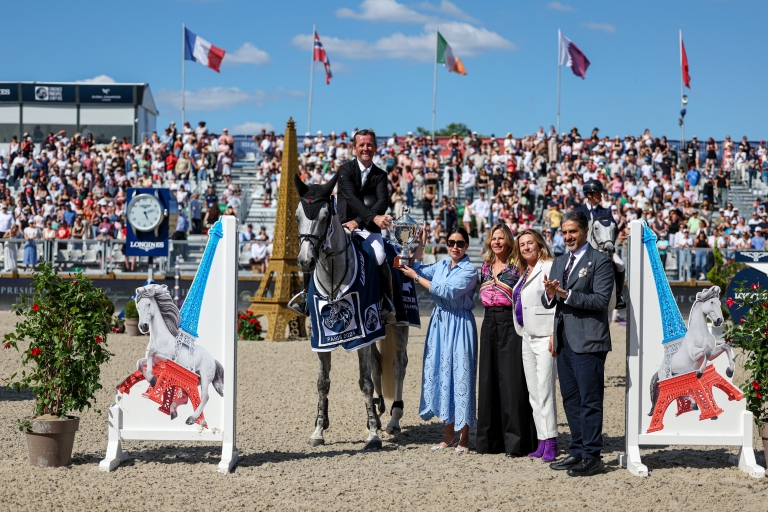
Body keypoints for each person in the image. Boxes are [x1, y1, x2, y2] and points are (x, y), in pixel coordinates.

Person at [542, 210, 614, 477]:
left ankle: (592, 455)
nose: (568, 236)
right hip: (564, 340)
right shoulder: (559, 261)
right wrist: (551, 295)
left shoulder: (600, 262)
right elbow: (551, 301)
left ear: (585, 231)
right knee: (571, 399)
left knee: (590, 400)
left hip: (590, 340)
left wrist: (566, 294)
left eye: (573, 231)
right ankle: (576, 451)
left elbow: (600, 301)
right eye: (564, 232)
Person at [399, 227, 478, 452]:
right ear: (446, 244)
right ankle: (447, 435)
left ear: (466, 245)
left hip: (460, 324)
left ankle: (464, 437)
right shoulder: (442, 265)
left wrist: (416, 277)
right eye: (451, 242)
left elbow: (446, 290)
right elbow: (414, 267)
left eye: (460, 243)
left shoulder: (470, 270)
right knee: (443, 374)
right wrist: (420, 246)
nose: (455, 247)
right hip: (439, 324)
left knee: (461, 376)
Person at [475, 223, 538, 456]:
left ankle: (516, 443)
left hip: (510, 323)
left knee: (511, 382)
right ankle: (489, 442)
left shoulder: (517, 266)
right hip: (488, 323)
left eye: (501, 238)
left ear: (508, 241)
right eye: (494, 238)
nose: (497, 242)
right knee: (489, 380)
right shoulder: (484, 267)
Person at [512, 229, 558, 461]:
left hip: (544, 337)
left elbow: (556, 301)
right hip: (527, 337)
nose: (526, 247)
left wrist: (554, 333)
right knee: (533, 392)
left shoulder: (548, 266)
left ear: (539, 245)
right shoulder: (524, 272)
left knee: (545, 390)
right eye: (522, 245)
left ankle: (551, 441)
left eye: (530, 243)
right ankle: (542, 439)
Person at [575, 179, 626, 309]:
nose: (601, 195)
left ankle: (619, 294)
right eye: (598, 193)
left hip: (604, 249)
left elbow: (613, 229)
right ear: (589, 195)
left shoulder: (605, 211)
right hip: (582, 249)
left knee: (620, 265)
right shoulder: (579, 211)